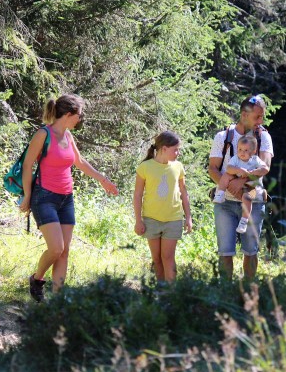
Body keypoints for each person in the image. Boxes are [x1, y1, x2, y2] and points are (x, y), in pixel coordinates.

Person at [20, 94, 119, 302]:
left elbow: (80, 162)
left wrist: (103, 180)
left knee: (64, 252)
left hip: (67, 199)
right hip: (44, 197)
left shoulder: (68, 136)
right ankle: (37, 279)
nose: (80, 120)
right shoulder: (43, 134)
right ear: (68, 114)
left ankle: (58, 301)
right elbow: (28, 164)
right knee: (56, 248)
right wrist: (27, 196)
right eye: (79, 116)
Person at [208, 95, 273, 280]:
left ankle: (248, 291)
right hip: (225, 203)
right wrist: (230, 186)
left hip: (254, 199)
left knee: (251, 252)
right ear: (244, 114)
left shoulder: (263, 137)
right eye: (257, 117)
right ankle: (225, 291)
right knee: (225, 252)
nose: (260, 121)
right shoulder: (223, 137)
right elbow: (213, 168)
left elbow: (264, 168)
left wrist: (240, 183)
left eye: (262, 117)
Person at [133, 131, 193, 283]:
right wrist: (138, 220)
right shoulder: (145, 167)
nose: (178, 153)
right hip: (151, 219)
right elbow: (138, 195)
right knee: (157, 258)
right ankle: (161, 292)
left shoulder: (178, 167)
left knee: (168, 257)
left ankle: (173, 294)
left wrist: (189, 218)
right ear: (164, 149)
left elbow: (184, 193)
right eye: (175, 149)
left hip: (173, 219)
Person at [212, 135, 269, 234]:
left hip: (249, 186)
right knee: (226, 174)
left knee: (247, 199)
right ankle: (220, 193)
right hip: (235, 179)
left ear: (253, 151)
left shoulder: (255, 160)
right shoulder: (236, 159)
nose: (242, 152)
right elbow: (229, 168)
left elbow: (265, 169)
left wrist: (255, 171)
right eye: (240, 149)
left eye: (246, 150)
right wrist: (238, 170)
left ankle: (244, 221)